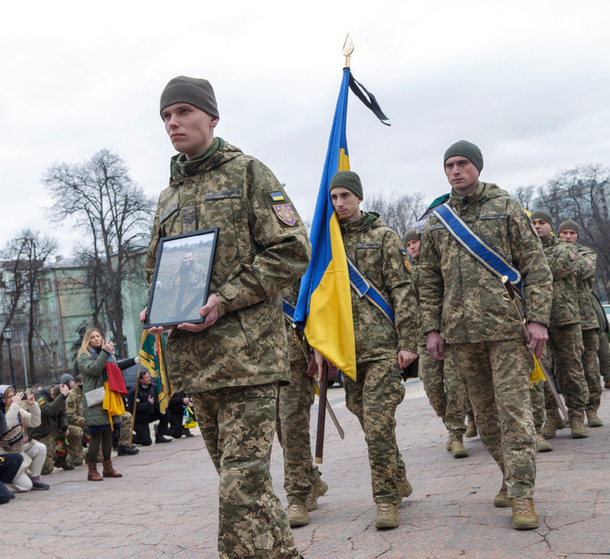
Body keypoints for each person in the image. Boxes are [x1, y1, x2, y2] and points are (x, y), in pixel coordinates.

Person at [142, 76, 310, 558]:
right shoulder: (167, 197)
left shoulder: (249, 173)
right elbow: (158, 269)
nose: (173, 123)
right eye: (166, 116)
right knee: (247, 489)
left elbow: (293, 249)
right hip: (196, 363)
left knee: (239, 489)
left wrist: (223, 298)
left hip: (249, 360)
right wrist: (157, 304)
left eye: (183, 112)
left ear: (211, 118)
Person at [418, 140, 552, 530]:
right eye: (449, 165)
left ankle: (523, 494)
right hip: (460, 333)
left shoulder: (506, 206)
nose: (455, 171)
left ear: (477, 166)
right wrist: (431, 327)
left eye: (462, 164)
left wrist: (537, 318)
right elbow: (428, 279)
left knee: (514, 414)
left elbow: (535, 266)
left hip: (507, 329)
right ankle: (509, 477)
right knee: (486, 418)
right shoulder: (438, 220)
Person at [317, 171, 417, 530]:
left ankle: (386, 499)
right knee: (366, 417)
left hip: (382, 348)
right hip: (346, 351)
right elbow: (320, 299)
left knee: (376, 425)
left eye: (345, 196)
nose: (339, 203)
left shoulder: (384, 236)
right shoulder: (326, 243)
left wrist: (408, 342)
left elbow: (402, 289)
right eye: (334, 198)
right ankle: (398, 474)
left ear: (359, 198)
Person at [404, 228, 472, 458]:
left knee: (455, 387)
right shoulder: (406, 272)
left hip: (451, 334)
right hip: (424, 338)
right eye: (409, 244)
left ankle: (456, 435)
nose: (414, 247)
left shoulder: (442, 263)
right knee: (433, 388)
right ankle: (452, 423)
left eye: (417, 242)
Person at [530, 212, 589, 442]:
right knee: (543, 373)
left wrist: (530, 263)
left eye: (541, 223)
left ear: (551, 227)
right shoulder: (527, 249)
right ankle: (552, 415)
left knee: (571, 369)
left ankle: (576, 415)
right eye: (533, 223)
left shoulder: (565, 248)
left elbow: (556, 268)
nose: (537, 227)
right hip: (537, 321)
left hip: (565, 319)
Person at [276, 282, 328, 528]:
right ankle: (311, 480)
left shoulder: (295, 252)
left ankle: (296, 496)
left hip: (294, 359)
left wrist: (317, 348)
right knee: (281, 431)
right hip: (259, 363)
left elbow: (315, 302)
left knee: (292, 429)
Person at [558, 220, 604, 427]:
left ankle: (592, 409)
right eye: (564, 233)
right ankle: (572, 410)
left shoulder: (587, 253)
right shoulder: (553, 252)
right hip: (563, 318)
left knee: (590, 367)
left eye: (572, 233)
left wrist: (562, 263)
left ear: (577, 236)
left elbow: (581, 271)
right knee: (567, 369)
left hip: (585, 318)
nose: (568, 236)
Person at [77, 328, 136, 481]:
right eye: (93, 337)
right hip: (95, 397)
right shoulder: (84, 356)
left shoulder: (106, 353)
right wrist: (105, 353)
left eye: (98, 336)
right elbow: (95, 369)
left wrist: (111, 354)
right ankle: (92, 470)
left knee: (109, 432)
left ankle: (108, 468)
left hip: (110, 395)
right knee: (97, 434)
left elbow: (114, 369)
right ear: (87, 341)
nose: (96, 339)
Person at [0, 385, 50, 491]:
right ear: (2, 399)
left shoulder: (17, 410)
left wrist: (33, 405)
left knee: (40, 447)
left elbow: (35, 422)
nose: (13, 399)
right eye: (9, 397)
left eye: (13, 395)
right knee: (26, 487)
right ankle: (1, 478)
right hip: (6, 455)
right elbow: (5, 426)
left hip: (19, 449)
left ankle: (35, 478)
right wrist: (15, 406)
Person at [27, 383, 83, 474]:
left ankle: (64, 459)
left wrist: (64, 428)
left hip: (54, 429)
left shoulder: (61, 397)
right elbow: (48, 410)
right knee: (46, 470)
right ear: (53, 394)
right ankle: (29, 464)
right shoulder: (39, 396)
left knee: (77, 431)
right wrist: (61, 396)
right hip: (41, 434)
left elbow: (62, 414)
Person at [127, 369, 171, 446]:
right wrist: (148, 403)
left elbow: (155, 403)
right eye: (146, 378)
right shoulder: (135, 391)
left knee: (165, 412)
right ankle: (125, 437)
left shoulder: (151, 387)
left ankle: (160, 436)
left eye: (149, 377)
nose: (149, 379)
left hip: (149, 414)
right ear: (140, 380)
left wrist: (162, 406)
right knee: (146, 442)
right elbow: (136, 408)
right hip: (139, 419)